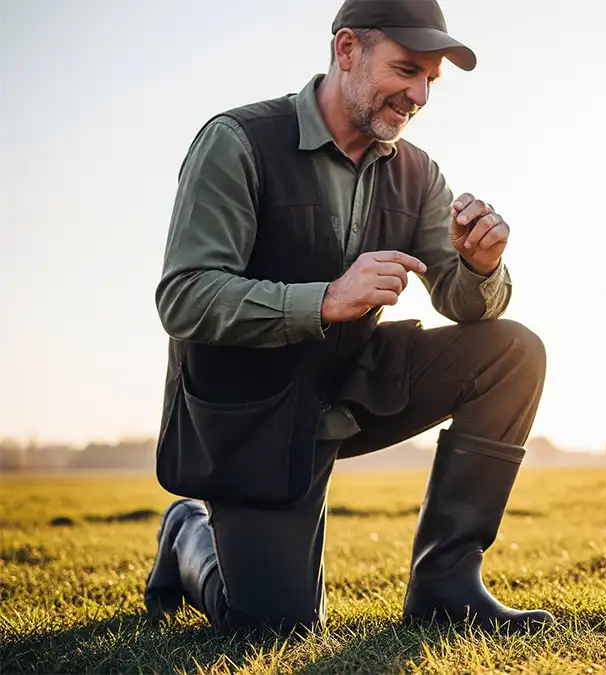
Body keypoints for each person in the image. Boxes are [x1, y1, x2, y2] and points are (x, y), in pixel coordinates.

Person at [143, 0, 552, 636]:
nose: (417, 95)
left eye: (430, 82)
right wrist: (325, 299)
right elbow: (185, 297)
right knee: (273, 629)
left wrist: (478, 266)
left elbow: (464, 303)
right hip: (252, 413)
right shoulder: (238, 142)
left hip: (351, 382)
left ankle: (445, 584)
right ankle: (187, 534)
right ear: (346, 51)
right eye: (406, 70)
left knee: (512, 351)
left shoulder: (418, 172)